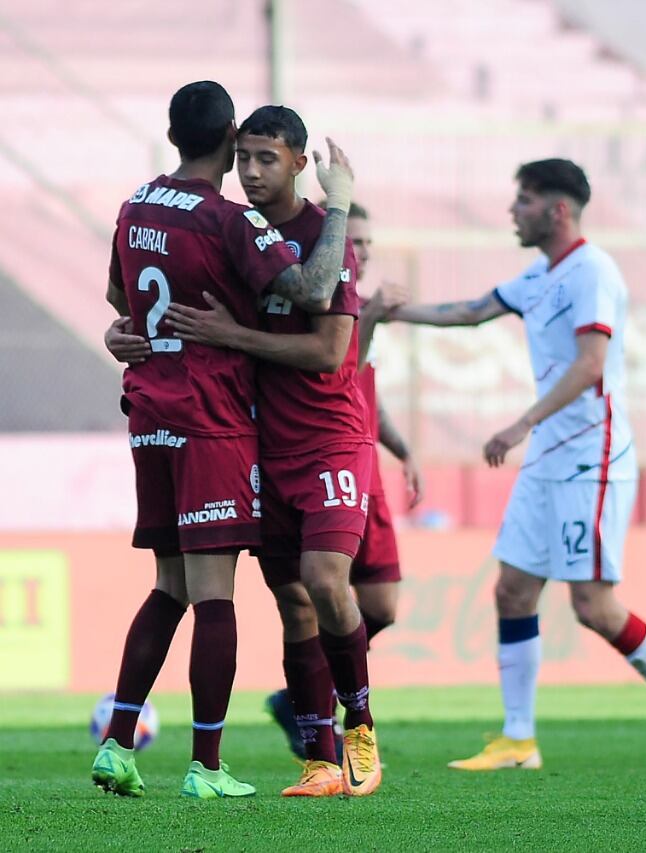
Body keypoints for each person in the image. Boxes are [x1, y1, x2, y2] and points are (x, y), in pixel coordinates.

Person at [384, 158, 646, 771]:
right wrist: (385, 313)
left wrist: (521, 423)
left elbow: (591, 365)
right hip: (548, 458)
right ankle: (518, 739)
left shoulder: (594, 273)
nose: (513, 210)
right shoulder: (539, 276)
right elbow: (470, 311)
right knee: (513, 590)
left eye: (525, 200)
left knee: (593, 607)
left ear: (557, 210)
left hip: (593, 456)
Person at [92, 81, 355, 799]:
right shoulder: (230, 221)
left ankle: (117, 745)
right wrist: (341, 208)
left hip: (147, 415)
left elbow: (122, 299)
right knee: (213, 595)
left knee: (168, 586)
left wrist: (129, 333)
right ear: (230, 135)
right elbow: (313, 290)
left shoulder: (136, 202)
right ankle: (207, 766)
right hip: (208, 419)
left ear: (172, 132)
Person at [162, 106, 382, 797]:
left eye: (268, 159)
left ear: (297, 162)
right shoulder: (237, 231)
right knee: (292, 600)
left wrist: (234, 337)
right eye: (245, 157)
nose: (252, 172)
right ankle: (319, 759)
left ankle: (362, 724)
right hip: (260, 444)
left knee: (324, 579)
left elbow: (327, 350)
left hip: (331, 438)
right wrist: (125, 332)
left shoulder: (324, 235)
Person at [263, 202, 420, 760]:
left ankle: (309, 699)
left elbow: (359, 383)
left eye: (368, 240)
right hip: (322, 452)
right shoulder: (320, 298)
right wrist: (371, 316)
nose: (363, 248)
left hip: (359, 451)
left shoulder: (353, 296)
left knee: (380, 604)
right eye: (354, 238)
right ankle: (328, 722)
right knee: (316, 591)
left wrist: (401, 447)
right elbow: (338, 364)